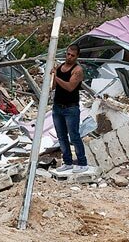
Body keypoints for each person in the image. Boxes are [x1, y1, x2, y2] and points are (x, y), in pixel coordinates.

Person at [51, 44, 88, 173]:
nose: (69, 57)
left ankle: (82, 163)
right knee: (61, 136)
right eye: (68, 54)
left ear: (77, 56)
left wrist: (56, 77)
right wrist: (52, 78)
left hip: (70, 108)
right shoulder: (60, 67)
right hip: (57, 107)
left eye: (72, 55)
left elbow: (70, 87)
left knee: (74, 136)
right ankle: (67, 162)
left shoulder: (77, 70)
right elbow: (53, 86)